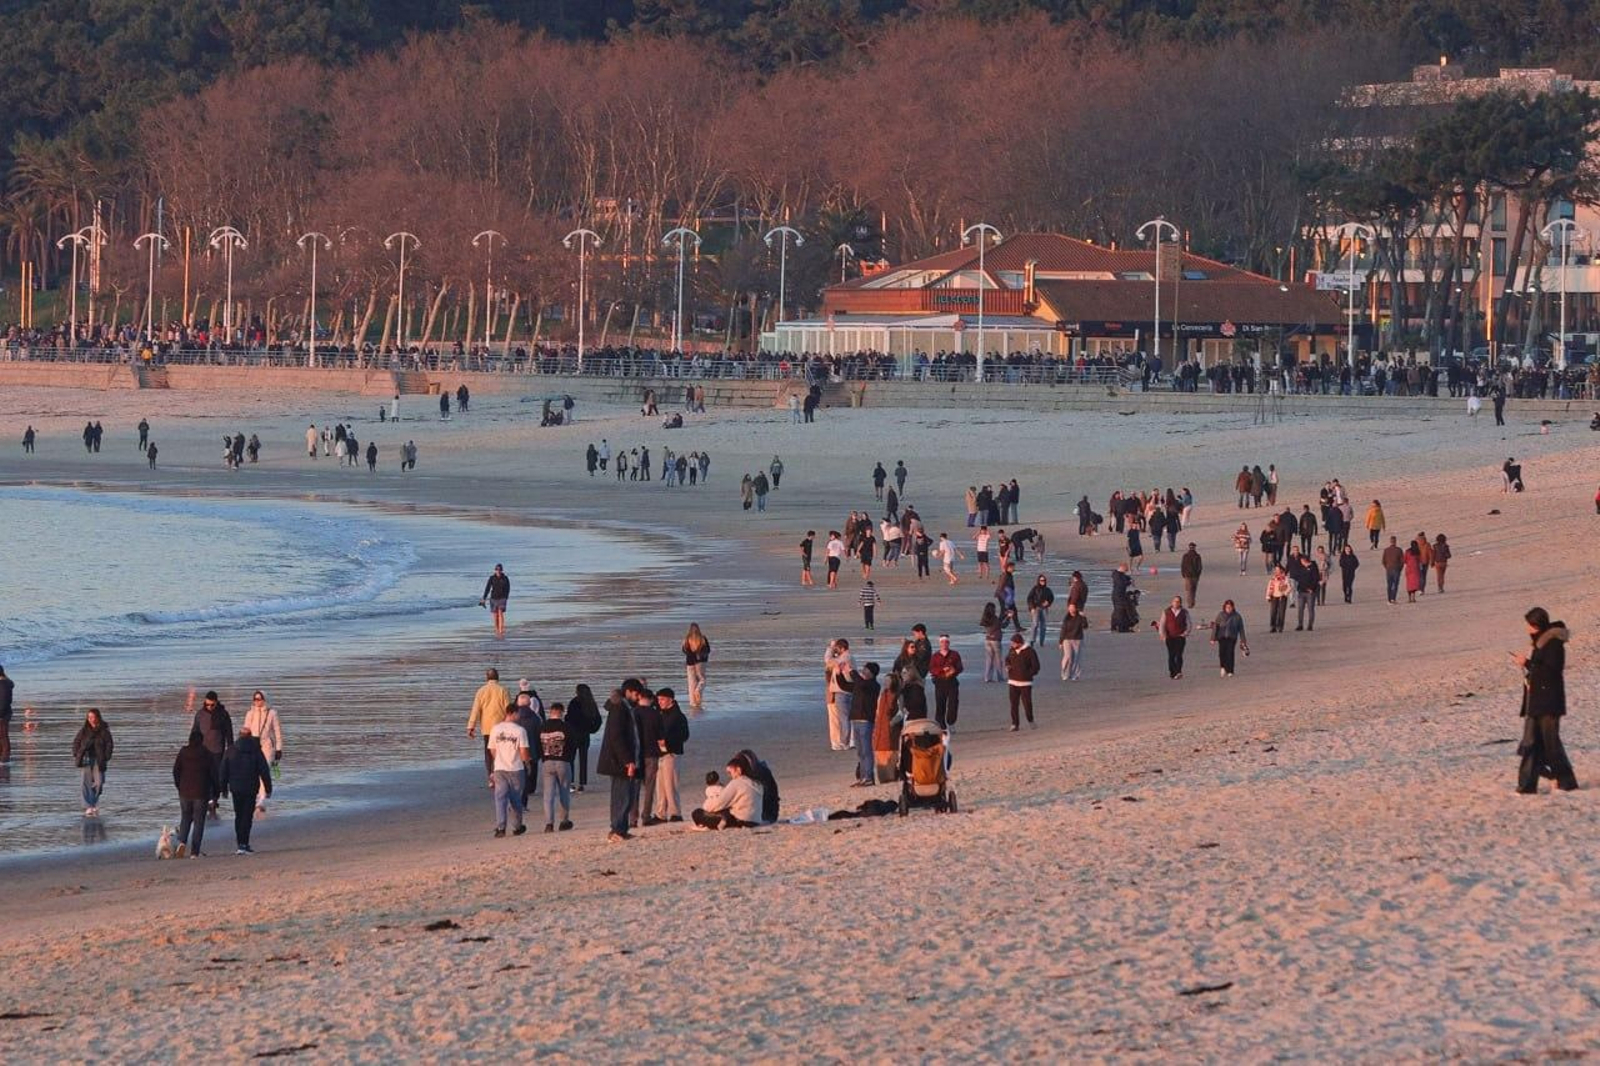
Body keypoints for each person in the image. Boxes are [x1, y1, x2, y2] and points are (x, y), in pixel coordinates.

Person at [1515, 607, 1577, 793]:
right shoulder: (1540, 643)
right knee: (1531, 744)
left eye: (1529, 625)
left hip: (1549, 703)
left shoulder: (1553, 644)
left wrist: (1527, 663)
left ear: (1536, 625)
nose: (1527, 628)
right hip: (1537, 702)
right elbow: (1540, 669)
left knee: (1551, 746)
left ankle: (1565, 781)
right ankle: (1527, 785)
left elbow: (1552, 671)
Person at [221, 728, 273, 854]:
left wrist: (223, 789)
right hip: (251, 787)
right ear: (250, 736)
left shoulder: (231, 750)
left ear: (239, 736)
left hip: (236, 788)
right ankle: (244, 843)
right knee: (247, 816)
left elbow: (223, 770)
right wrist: (268, 788)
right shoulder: (256, 750)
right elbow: (264, 770)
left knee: (238, 815)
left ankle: (240, 844)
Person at [597, 688, 639, 841]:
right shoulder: (619, 709)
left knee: (627, 796)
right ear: (628, 691)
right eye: (636, 694)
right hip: (618, 762)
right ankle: (616, 830)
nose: (637, 698)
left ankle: (621, 829)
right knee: (621, 796)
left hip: (623, 759)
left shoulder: (624, 708)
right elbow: (617, 737)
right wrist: (627, 761)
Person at [487, 707, 531, 837]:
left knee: (500, 798)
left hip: (500, 767)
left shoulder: (495, 729)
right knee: (515, 798)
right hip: (516, 767)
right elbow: (523, 751)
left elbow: (492, 749)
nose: (519, 716)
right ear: (513, 713)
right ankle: (517, 826)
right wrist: (527, 763)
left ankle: (501, 827)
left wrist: (498, 759)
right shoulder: (520, 730)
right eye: (518, 714)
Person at [173, 729, 217, 858]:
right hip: (201, 792)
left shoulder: (183, 752)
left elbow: (176, 771)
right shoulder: (207, 754)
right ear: (202, 741)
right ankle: (194, 851)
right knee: (199, 822)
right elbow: (214, 775)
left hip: (184, 792)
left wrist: (179, 786)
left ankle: (182, 842)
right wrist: (215, 793)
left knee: (185, 818)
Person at [466, 668, 513, 785]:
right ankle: (500, 776)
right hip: (501, 726)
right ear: (498, 677)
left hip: (487, 728)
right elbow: (509, 709)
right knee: (501, 752)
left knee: (488, 752)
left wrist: (471, 726)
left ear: (487, 678)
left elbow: (475, 710)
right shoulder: (503, 690)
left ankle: (490, 777)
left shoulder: (481, 691)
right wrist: (512, 724)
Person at [692, 754, 763, 829]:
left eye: (730, 772)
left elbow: (719, 803)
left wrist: (707, 808)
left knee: (697, 813)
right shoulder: (757, 783)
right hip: (755, 821)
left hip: (740, 820)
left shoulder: (736, 783)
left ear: (738, 770)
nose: (730, 776)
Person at [538, 702, 578, 832]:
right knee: (564, 792)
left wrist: (543, 757)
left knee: (548, 795)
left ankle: (549, 823)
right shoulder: (566, 727)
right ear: (562, 712)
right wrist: (569, 759)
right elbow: (573, 745)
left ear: (550, 712)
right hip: (563, 761)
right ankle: (564, 820)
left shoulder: (542, 727)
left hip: (547, 762)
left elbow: (538, 744)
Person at [241, 690, 283, 814]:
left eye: (259, 699)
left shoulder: (272, 713)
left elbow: (277, 731)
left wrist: (279, 748)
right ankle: (255, 796)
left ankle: (261, 800)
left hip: (267, 746)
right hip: (252, 746)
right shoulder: (250, 713)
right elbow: (245, 730)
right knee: (252, 772)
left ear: (264, 699)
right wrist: (243, 746)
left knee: (264, 772)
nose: (257, 701)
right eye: (255, 699)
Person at [192, 691, 233, 817]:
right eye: (207, 704)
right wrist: (192, 748)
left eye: (212, 705)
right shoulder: (200, 714)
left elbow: (229, 733)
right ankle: (209, 799)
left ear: (216, 702)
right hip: (203, 751)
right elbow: (195, 732)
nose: (209, 707)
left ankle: (214, 799)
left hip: (218, 751)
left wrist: (230, 749)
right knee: (205, 777)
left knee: (217, 777)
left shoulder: (223, 714)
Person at [72, 708, 114, 816]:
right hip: (86, 759)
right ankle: (89, 806)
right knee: (85, 783)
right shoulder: (84, 731)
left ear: (98, 717)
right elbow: (76, 742)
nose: (91, 719)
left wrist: (106, 756)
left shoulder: (104, 731)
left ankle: (94, 801)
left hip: (99, 760)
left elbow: (109, 744)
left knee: (99, 783)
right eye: (89, 717)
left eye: (93, 717)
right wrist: (77, 753)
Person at [850, 663, 881, 786]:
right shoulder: (861, 683)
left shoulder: (873, 685)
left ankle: (869, 777)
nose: (863, 671)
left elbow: (861, 684)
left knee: (866, 750)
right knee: (860, 751)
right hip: (856, 719)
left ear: (871, 673)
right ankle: (863, 777)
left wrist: (852, 671)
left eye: (866, 669)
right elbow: (848, 685)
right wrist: (841, 673)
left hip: (866, 720)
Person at [567, 683, 601, 792]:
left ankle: (571, 782)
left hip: (574, 734)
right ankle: (582, 783)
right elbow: (598, 720)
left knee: (571, 758)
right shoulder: (591, 703)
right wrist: (592, 729)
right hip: (585, 734)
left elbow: (569, 718)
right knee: (583, 759)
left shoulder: (574, 702)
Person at [1004, 632, 1039, 731]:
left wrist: (1027, 674)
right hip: (1012, 681)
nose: (1012, 645)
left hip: (1025, 683)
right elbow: (1007, 659)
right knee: (1013, 704)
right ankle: (1015, 724)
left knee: (1027, 704)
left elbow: (1036, 667)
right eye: (1011, 643)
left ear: (1019, 643)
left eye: (1013, 643)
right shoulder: (1011, 650)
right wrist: (1007, 666)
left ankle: (1030, 720)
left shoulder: (1030, 651)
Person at [825, 639, 856, 751]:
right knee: (848, 717)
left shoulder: (844, 658)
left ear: (842, 648)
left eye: (837, 649)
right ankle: (850, 740)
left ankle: (844, 742)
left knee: (844, 718)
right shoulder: (850, 657)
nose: (836, 651)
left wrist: (830, 648)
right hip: (849, 690)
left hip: (842, 691)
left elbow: (828, 661)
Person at [929, 635, 964, 730]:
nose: (944, 644)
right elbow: (931, 669)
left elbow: (960, 667)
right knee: (940, 704)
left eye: (946, 642)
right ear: (939, 643)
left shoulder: (955, 654)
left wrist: (953, 670)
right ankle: (941, 725)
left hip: (952, 682)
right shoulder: (935, 656)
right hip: (939, 682)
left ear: (949, 643)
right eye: (942, 642)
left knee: (953, 703)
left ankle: (951, 722)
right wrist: (942, 670)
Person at [1210, 600, 1249, 678]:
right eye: (1227, 607)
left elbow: (1241, 629)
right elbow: (1216, 627)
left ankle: (1230, 670)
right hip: (1222, 637)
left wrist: (1243, 640)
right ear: (1224, 607)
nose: (1228, 609)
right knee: (1222, 653)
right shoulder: (1220, 615)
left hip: (1232, 637)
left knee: (1230, 653)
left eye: (1230, 607)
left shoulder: (1237, 616)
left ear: (1233, 607)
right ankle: (1223, 667)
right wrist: (1213, 638)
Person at [1157, 596, 1192, 679]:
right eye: (1175, 601)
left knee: (1179, 654)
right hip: (1169, 637)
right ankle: (1172, 672)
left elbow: (1189, 623)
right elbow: (1162, 624)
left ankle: (1179, 671)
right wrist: (1163, 635)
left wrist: (1185, 633)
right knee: (1171, 655)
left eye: (1178, 601)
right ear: (1172, 602)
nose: (1176, 603)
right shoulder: (1166, 612)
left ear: (1180, 603)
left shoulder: (1184, 612)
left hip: (1180, 636)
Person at [682, 623, 711, 708]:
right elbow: (708, 650)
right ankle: (698, 690)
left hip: (690, 662)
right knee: (702, 679)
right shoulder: (702, 638)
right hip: (701, 661)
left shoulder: (687, 639)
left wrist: (691, 654)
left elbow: (684, 650)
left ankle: (693, 703)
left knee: (691, 683)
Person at [479, 563, 510, 639]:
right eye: (497, 569)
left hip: (502, 598)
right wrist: (484, 598)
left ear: (502, 570)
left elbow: (508, 588)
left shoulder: (505, 578)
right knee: (495, 615)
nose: (498, 571)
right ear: (495, 570)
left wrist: (506, 597)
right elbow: (487, 588)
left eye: (499, 570)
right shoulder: (492, 578)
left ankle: (501, 630)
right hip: (493, 598)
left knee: (500, 613)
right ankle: (497, 630)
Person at [1058, 602, 1087, 681]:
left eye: (1073, 607)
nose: (1071, 609)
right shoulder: (1066, 618)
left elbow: (1085, 626)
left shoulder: (1079, 617)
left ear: (1076, 608)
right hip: (1067, 639)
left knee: (1076, 657)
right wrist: (1060, 642)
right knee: (1068, 656)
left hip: (1078, 639)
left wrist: (1084, 617)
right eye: (1070, 608)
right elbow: (1063, 630)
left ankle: (1075, 675)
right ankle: (1064, 673)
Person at [1295, 553, 1321, 631]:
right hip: (1301, 591)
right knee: (1300, 609)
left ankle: (1310, 625)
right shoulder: (1300, 567)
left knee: (1310, 608)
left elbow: (1316, 578)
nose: (1301, 562)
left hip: (1310, 592)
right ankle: (1300, 624)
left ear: (1304, 560)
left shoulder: (1313, 567)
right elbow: (1298, 577)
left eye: (1302, 560)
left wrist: (1312, 588)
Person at [1266, 565, 1291, 633]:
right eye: (1275, 570)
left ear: (1281, 570)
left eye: (1278, 570)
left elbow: (1289, 587)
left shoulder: (1285, 578)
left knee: (1281, 612)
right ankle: (1273, 626)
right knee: (1273, 612)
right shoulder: (1273, 579)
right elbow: (1269, 588)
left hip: (1282, 597)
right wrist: (1268, 596)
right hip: (1274, 596)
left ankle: (1280, 626)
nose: (1276, 571)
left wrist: (1285, 593)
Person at [1180, 542, 1203, 607]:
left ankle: (1190, 603)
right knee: (1193, 589)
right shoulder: (1197, 556)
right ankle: (1192, 602)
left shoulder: (1185, 556)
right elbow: (1200, 567)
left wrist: (1183, 574)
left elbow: (1183, 565)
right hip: (1195, 576)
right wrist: (1198, 574)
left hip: (1188, 575)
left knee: (1189, 590)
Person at [0, 664, 13, 765]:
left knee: (3, 736)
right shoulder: (5, 683)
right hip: (5, 713)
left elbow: (4, 701)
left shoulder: (3, 684)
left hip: (2, 714)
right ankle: (3, 757)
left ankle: (5, 758)